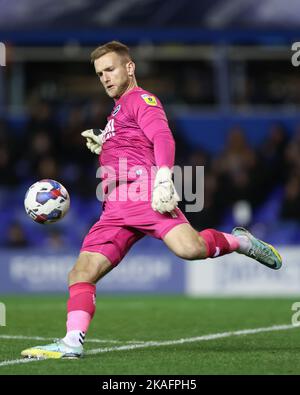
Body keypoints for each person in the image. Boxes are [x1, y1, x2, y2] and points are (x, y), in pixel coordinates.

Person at [21, 41, 282, 359]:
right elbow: (133, 142)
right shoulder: (117, 110)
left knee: (190, 250)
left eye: (110, 69)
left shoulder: (141, 99)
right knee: (80, 273)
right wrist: (105, 142)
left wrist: (163, 179)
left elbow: (162, 137)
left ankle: (240, 242)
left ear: (129, 67)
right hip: (114, 207)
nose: (105, 77)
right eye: (100, 73)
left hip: (143, 194)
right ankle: (71, 343)